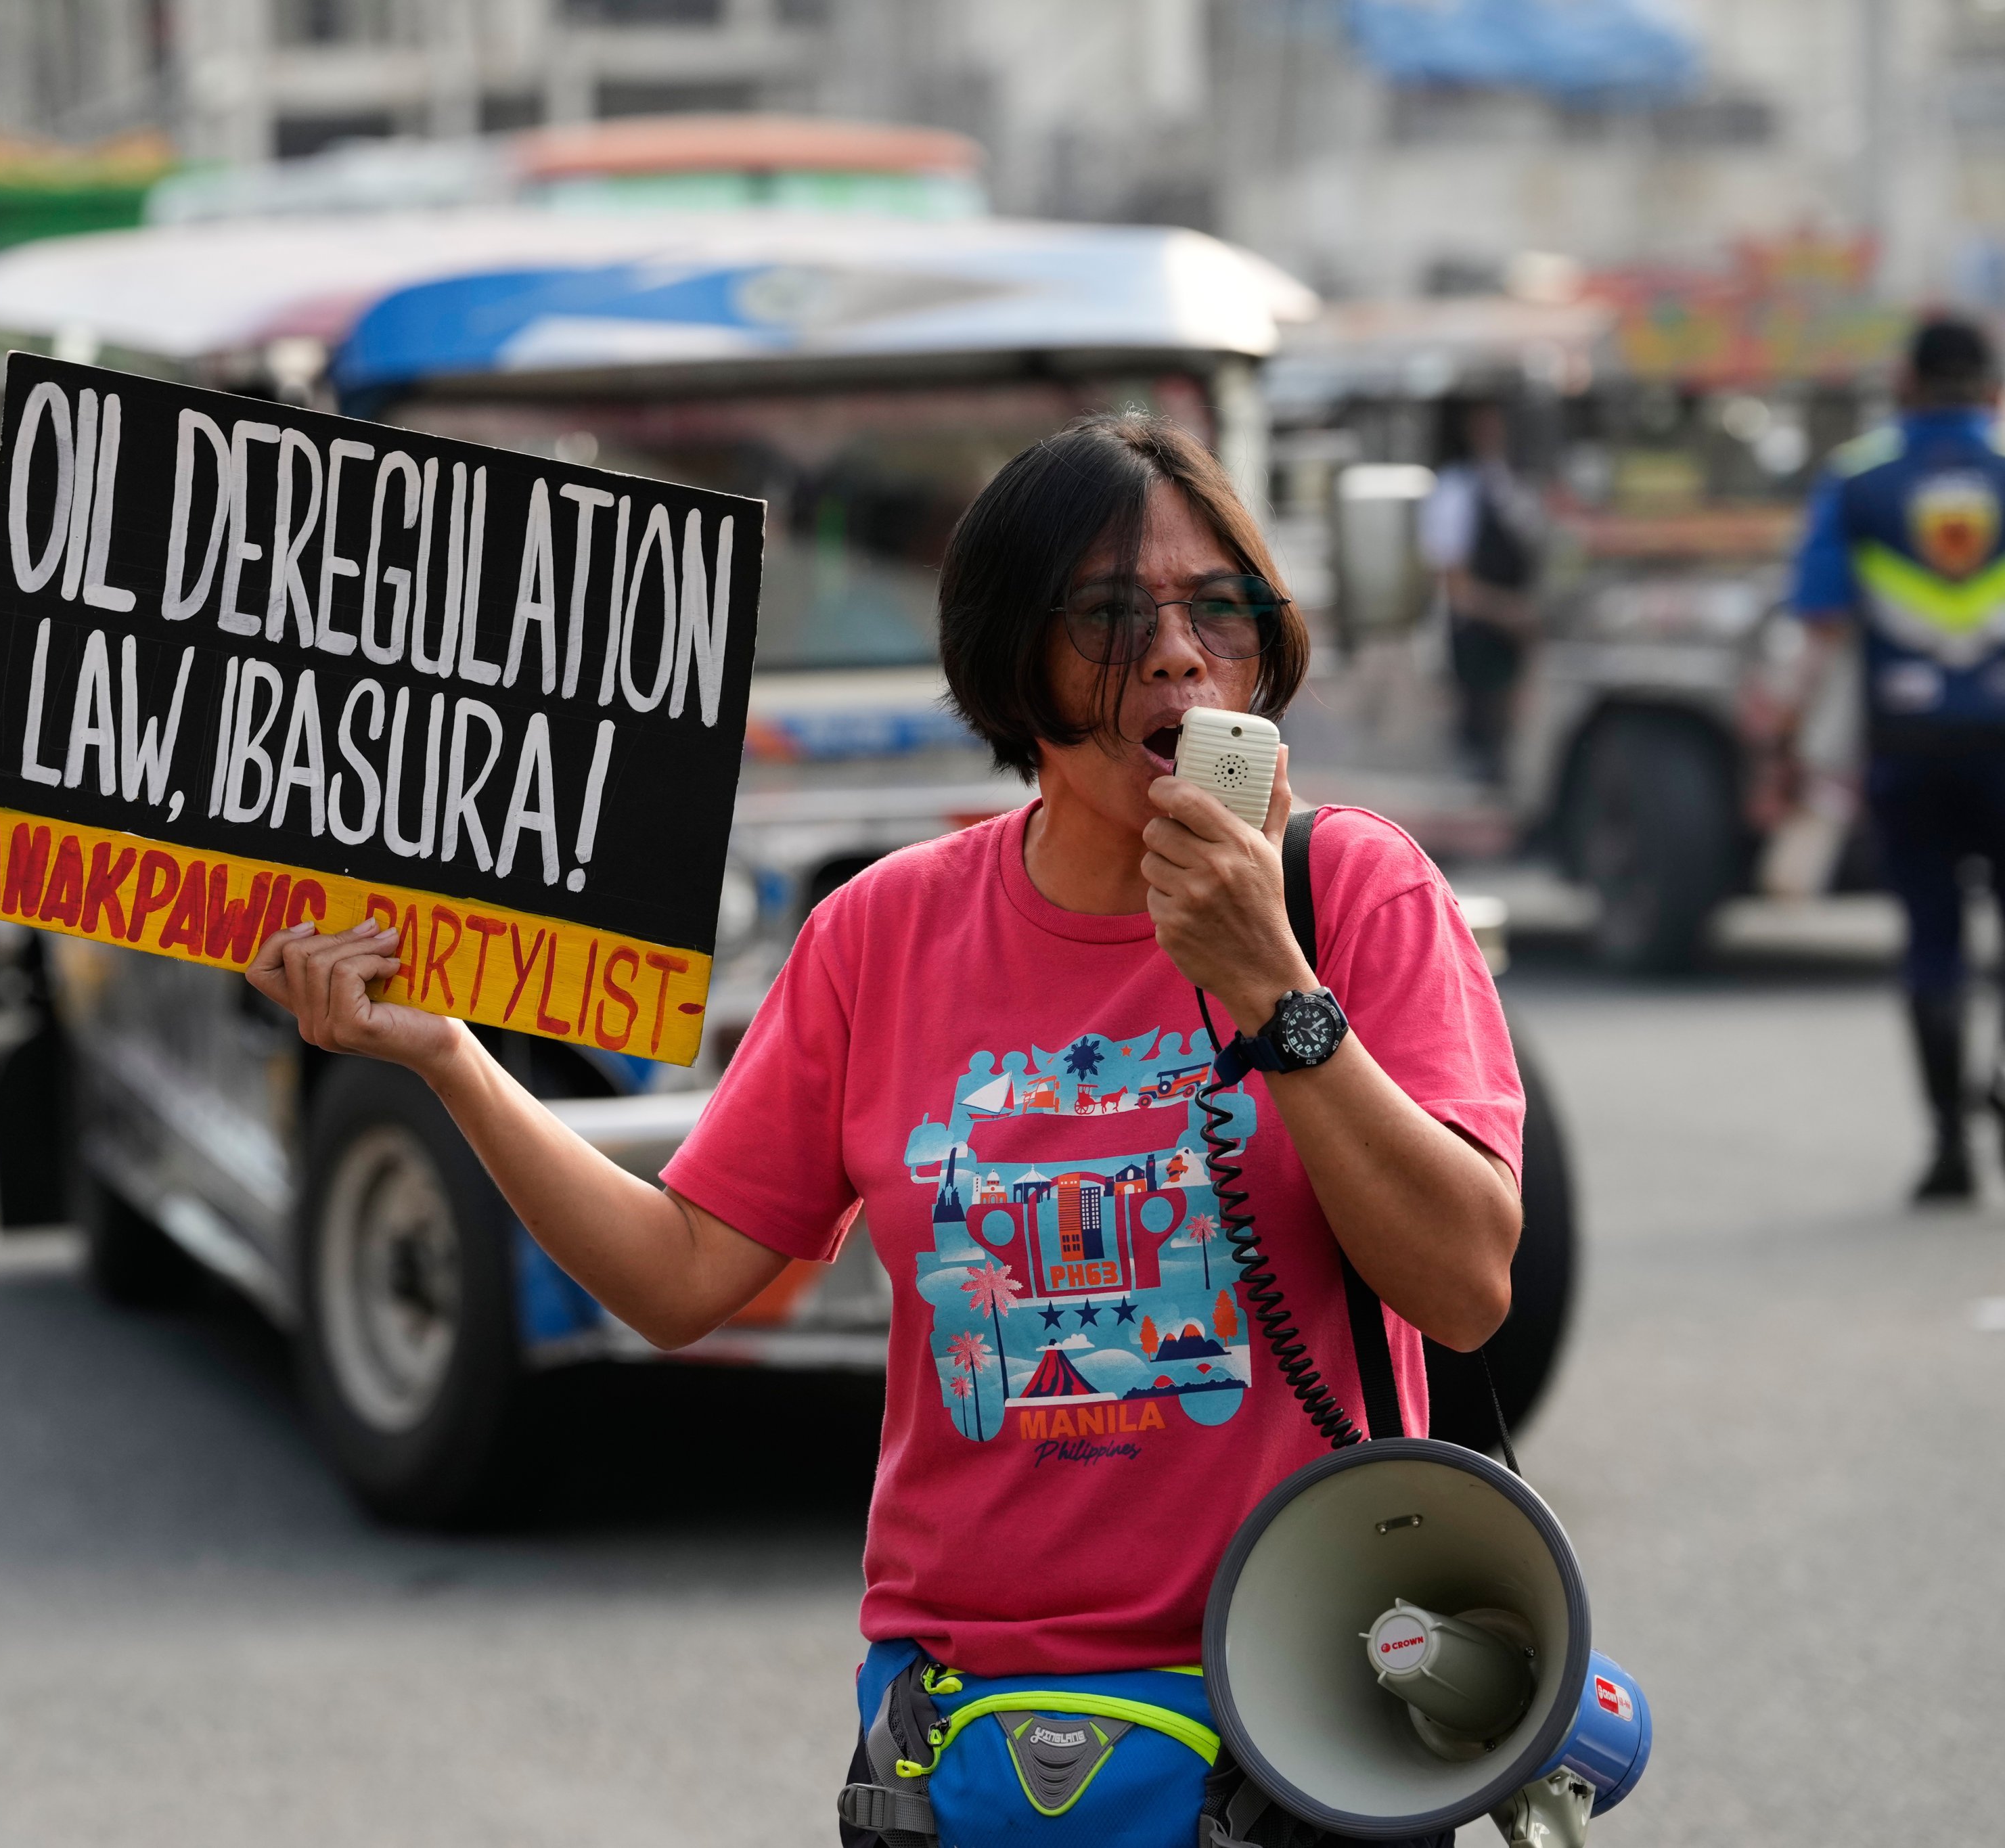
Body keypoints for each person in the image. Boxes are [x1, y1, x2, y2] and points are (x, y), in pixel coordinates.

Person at [245, 413, 1523, 1843]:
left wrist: (1269, 987)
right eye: (1108, 615)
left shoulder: (1349, 894)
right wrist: (455, 1063)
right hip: (960, 1756)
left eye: (1217, 607)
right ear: (1012, 663)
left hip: (1295, 1730)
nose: (1176, 653)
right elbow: (678, 1275)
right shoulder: (883, 935)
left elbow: (1464, 1282)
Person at [1783, 315, 2005, 1204]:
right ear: (1990, 386)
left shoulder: (1860, 477)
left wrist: (1788, 735)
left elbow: (1821, 617)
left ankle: (1950, 1143)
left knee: (1932, 940)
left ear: (1907, 382)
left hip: (1908, 750)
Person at [1419, 401, 1550, 784]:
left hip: (1520, 641)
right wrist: (1512, 614)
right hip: (1478, 641)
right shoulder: (1454, 491)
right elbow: (1454, 585)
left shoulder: (1519, 486)